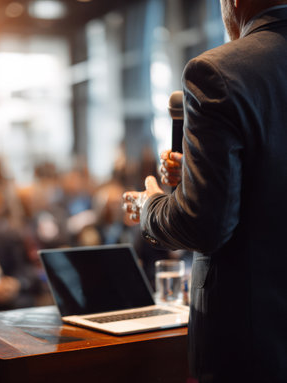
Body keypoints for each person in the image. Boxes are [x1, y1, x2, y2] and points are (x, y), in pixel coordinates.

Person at [122, 1, 287, 382]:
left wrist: (151, 205)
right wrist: (200, 177)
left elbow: (204, 225)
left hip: (252, 344)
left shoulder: (219, 71)